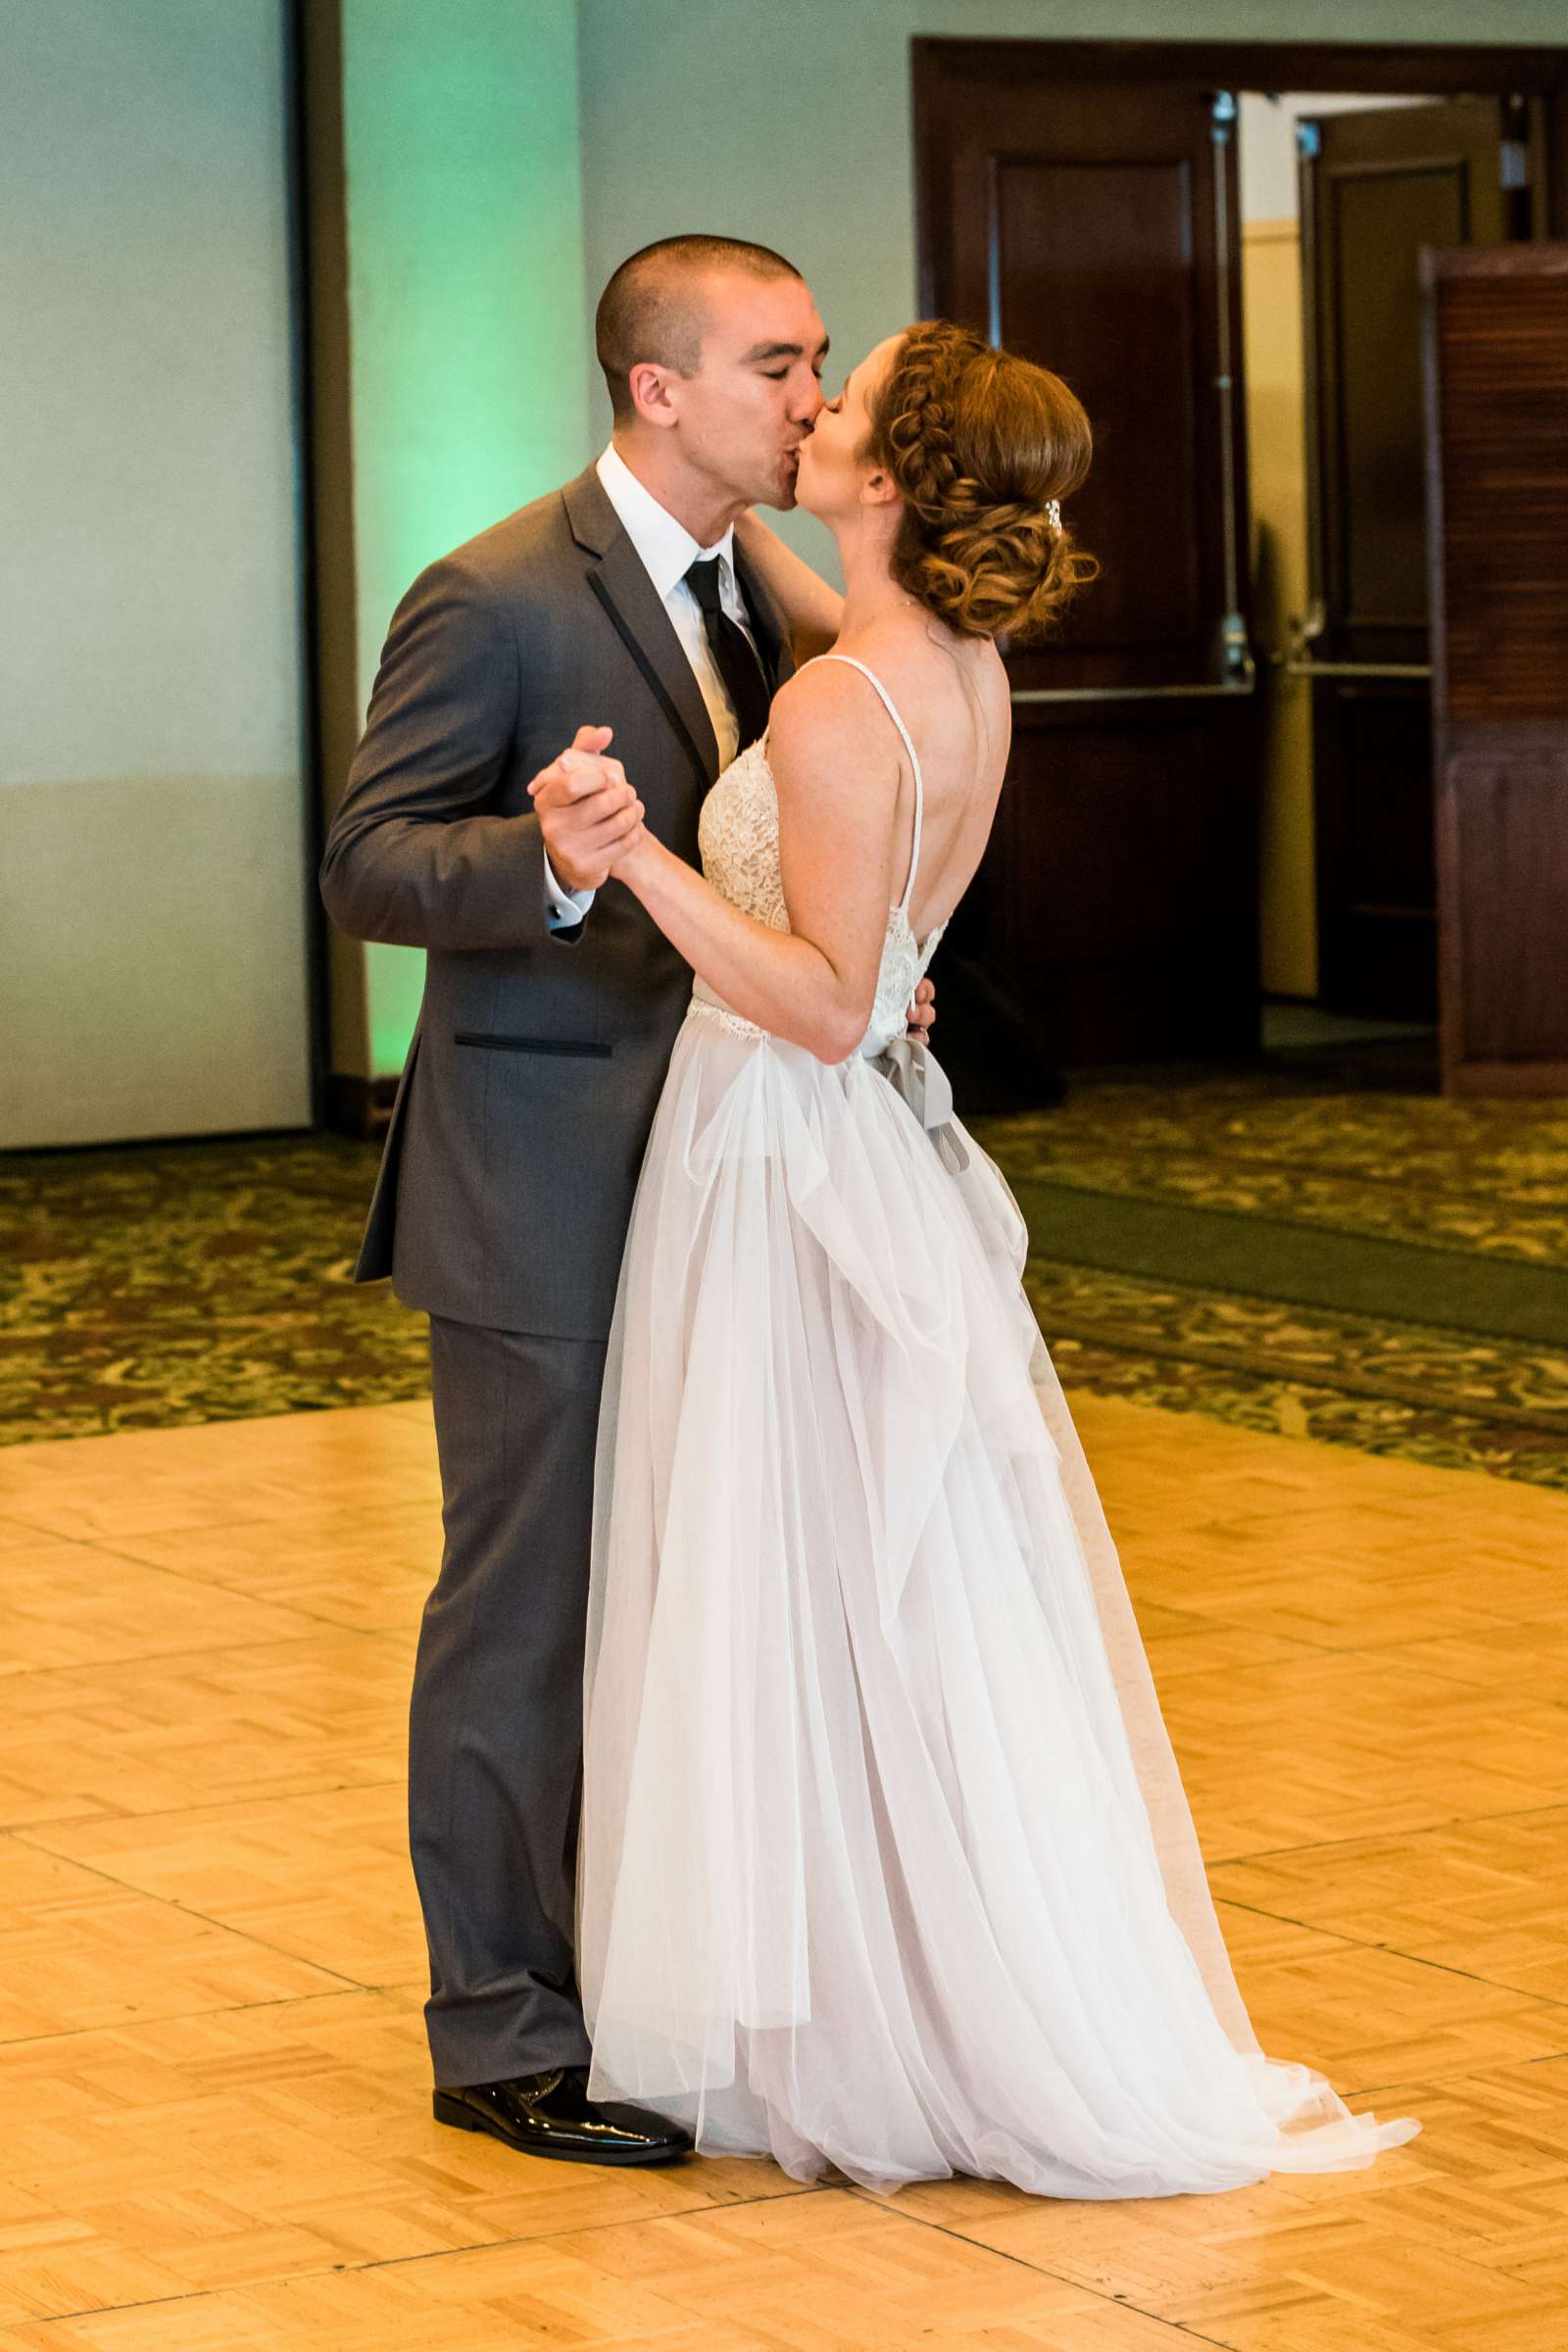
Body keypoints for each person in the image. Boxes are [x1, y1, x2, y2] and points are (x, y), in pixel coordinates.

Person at [556, 318, 1422, 2195]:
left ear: (886, 474)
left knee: (799, 1569)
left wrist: (633, 857)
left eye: (837, 399)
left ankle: (878, 2016)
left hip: (781, 1146)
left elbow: (815, 997)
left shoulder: (831, 706)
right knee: (882, 1572)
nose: (807, 409)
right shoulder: (948, 662)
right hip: (864, 1139)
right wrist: (709, 501)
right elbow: (807, 635)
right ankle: (901, 1972)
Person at [319, 236, 937, 2167]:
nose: (814, 401)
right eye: (777, 367)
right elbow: (365, 864)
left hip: (719, 1185)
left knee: (682, 1602)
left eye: (821, 363)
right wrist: (555, 866)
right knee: (530, 1610)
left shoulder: (763, 585)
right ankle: (497, 2027)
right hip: (542, 1194)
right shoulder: (494, 592)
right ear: (658, 390)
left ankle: (645, 1991)